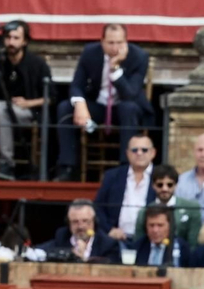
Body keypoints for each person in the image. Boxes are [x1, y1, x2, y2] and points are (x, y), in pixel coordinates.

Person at [53, 23, 151, 180]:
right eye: (110, 43)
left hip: (124, 108)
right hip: (98, 106)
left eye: (119, 43)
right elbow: (77, 84)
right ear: (102, 41)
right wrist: (80, 104)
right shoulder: (90, 53)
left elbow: (130, 94)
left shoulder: (139, 56)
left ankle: (125, 168)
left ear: (126, 41)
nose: (115, 48)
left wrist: (115, 68)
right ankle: (67, 167)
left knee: (128, 108)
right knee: (65, 107)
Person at [0, 19, 49, 180]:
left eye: (15, 38)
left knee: (0, 109)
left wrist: (28, 103)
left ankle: (7, 163)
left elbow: (51, 97)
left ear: (25, 41)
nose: (11, 42)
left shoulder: (37, 64)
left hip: (27, 111)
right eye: (8, 38)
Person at [94, 130, 155, 242]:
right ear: (127, 153)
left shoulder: (160, 177)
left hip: (150, 240)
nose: (139, 153)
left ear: (153, 153)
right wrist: (110, 230)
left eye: (144, 150)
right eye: (134, 150)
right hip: (117, 239)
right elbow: (98, 207)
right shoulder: (112, 176)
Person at [135, 163, 202, 249]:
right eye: (160, 185)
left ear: (176, 185)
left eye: (169, 185)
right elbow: (139, 243)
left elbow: (193, 244)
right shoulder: (144, 212)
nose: (164, 189)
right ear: (153, 186)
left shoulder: (191, 208)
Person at [132, 205, 183, 270]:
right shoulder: (138, 247)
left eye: (160, 225)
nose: (155, 230)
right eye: (151, 225)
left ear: (170, 226)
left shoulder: (181, 247)